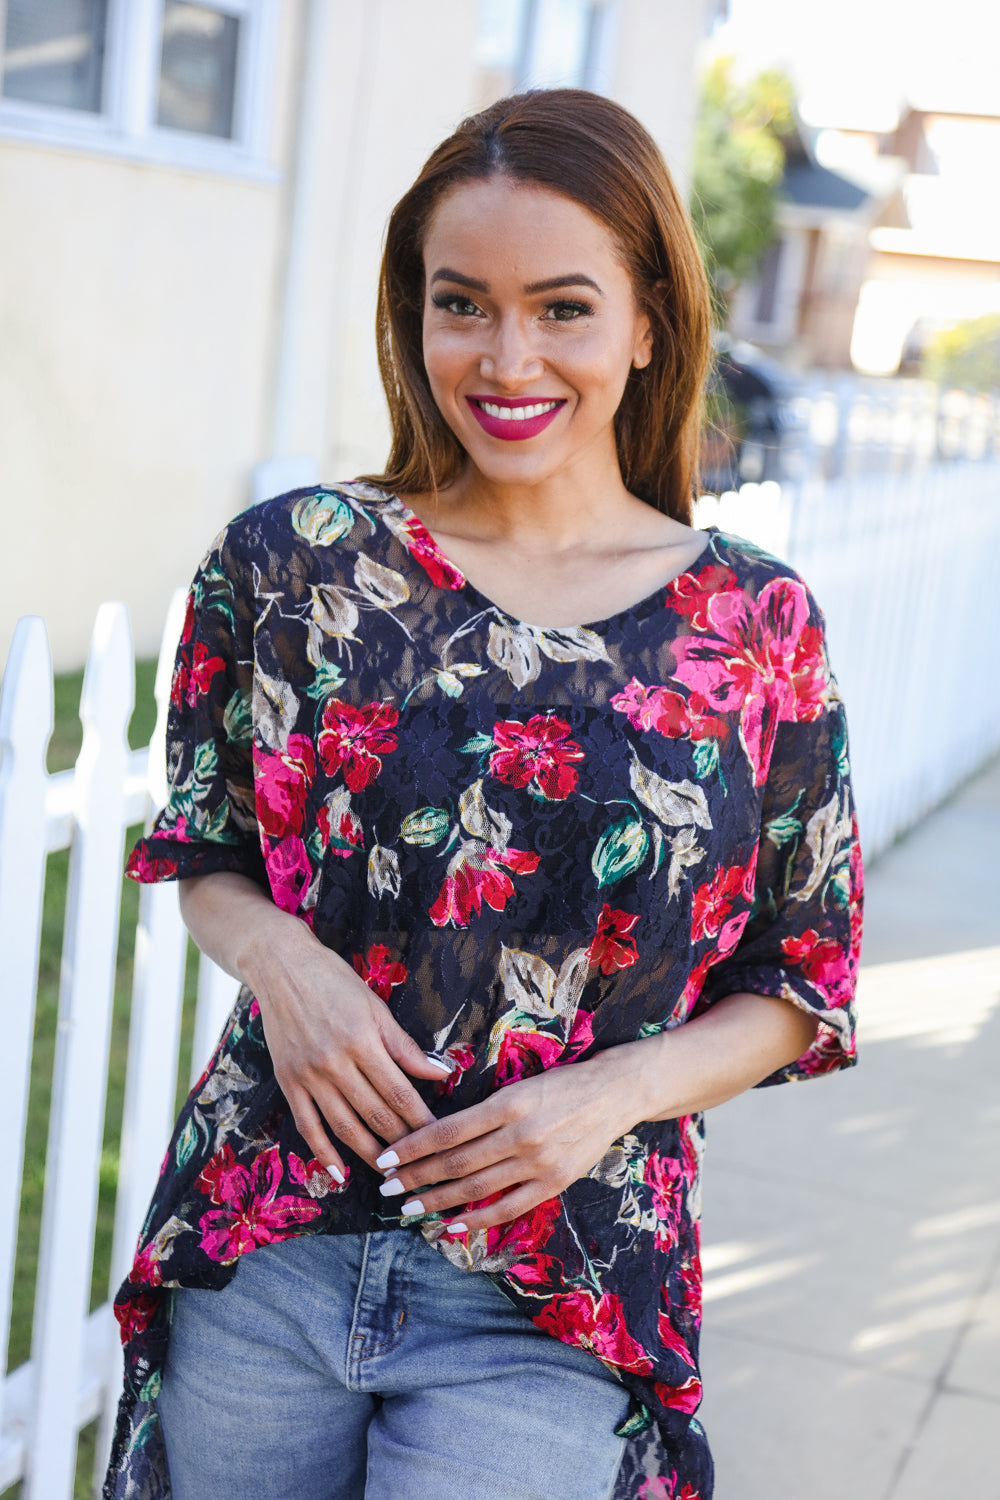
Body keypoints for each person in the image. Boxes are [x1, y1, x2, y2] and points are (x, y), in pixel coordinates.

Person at [105, 89, 862, 1500]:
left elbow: (799, 980)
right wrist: (282, 961)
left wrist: (610, 1096)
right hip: (267, 1237)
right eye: (464, 304)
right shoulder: (292, 566)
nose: (507, 357)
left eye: (562, 308)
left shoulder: (754, 627)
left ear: (648, 323)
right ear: (416, 316)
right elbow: (204, 846)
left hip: (551, 1294)